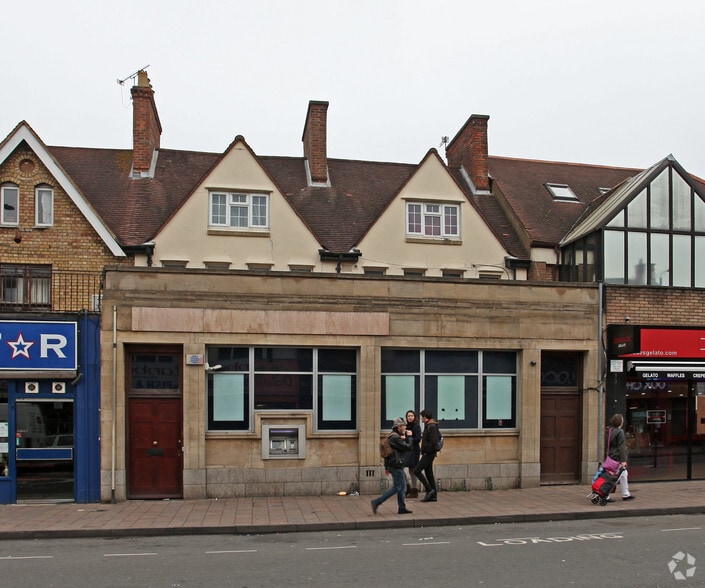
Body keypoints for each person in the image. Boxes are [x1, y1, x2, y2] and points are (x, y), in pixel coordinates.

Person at [371, 417, 413, 515]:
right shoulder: (395, 438)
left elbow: (388, 453)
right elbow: (408, 447)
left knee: (403, 487)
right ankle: (377, 502)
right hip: (395, 465)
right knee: (398, 487)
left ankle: (402, 508)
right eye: (403, 426)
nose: (405, 427)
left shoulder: (393, 436)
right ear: (399, 427)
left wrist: (386, 467)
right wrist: (409, 437)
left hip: (394, 464)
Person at [607, 413, 634, 501]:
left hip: (611, 456)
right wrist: (623, 460)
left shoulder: (609, 430)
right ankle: (606, 495)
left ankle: (626, 494)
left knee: (623, 474)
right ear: (620, 422)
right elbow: (621, 447)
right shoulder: (620, 432)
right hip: (617, 457)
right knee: (613, 476)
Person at [415, 409, 440, 502]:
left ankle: (429, 490)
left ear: (425, 417)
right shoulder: (429, 425)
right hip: (428, 453)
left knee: (417, 470)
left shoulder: (431, 426)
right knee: (429, 473)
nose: (421, 418)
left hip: (429, 453)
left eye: (421, 417)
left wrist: (426, 449)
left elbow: (434, 442)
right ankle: (433, 496)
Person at [404, 410, 421, 498]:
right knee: (401, 468)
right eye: (408, 416)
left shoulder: (416, 426)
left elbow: (418, 439)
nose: (410, 417)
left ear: (414, 417)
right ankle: (407, 487)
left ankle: (414, 490)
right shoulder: (406, 426)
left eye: (411, 416)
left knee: (412, 470)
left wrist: (408, 438)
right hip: (407, 450)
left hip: (414, 450)